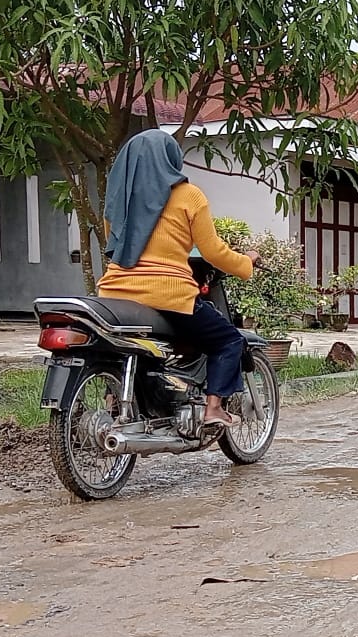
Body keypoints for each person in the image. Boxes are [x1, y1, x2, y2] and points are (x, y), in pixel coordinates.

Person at [96, 129, 258, 428]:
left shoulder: (119, 198)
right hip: (168, 295)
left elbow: (115, 244)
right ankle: (213, 409)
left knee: (124, 347)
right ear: (172, 159)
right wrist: (246, 263)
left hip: (115, 295)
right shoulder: (188, 195)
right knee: (228, 340)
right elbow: (213, 251)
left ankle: (114, 399)